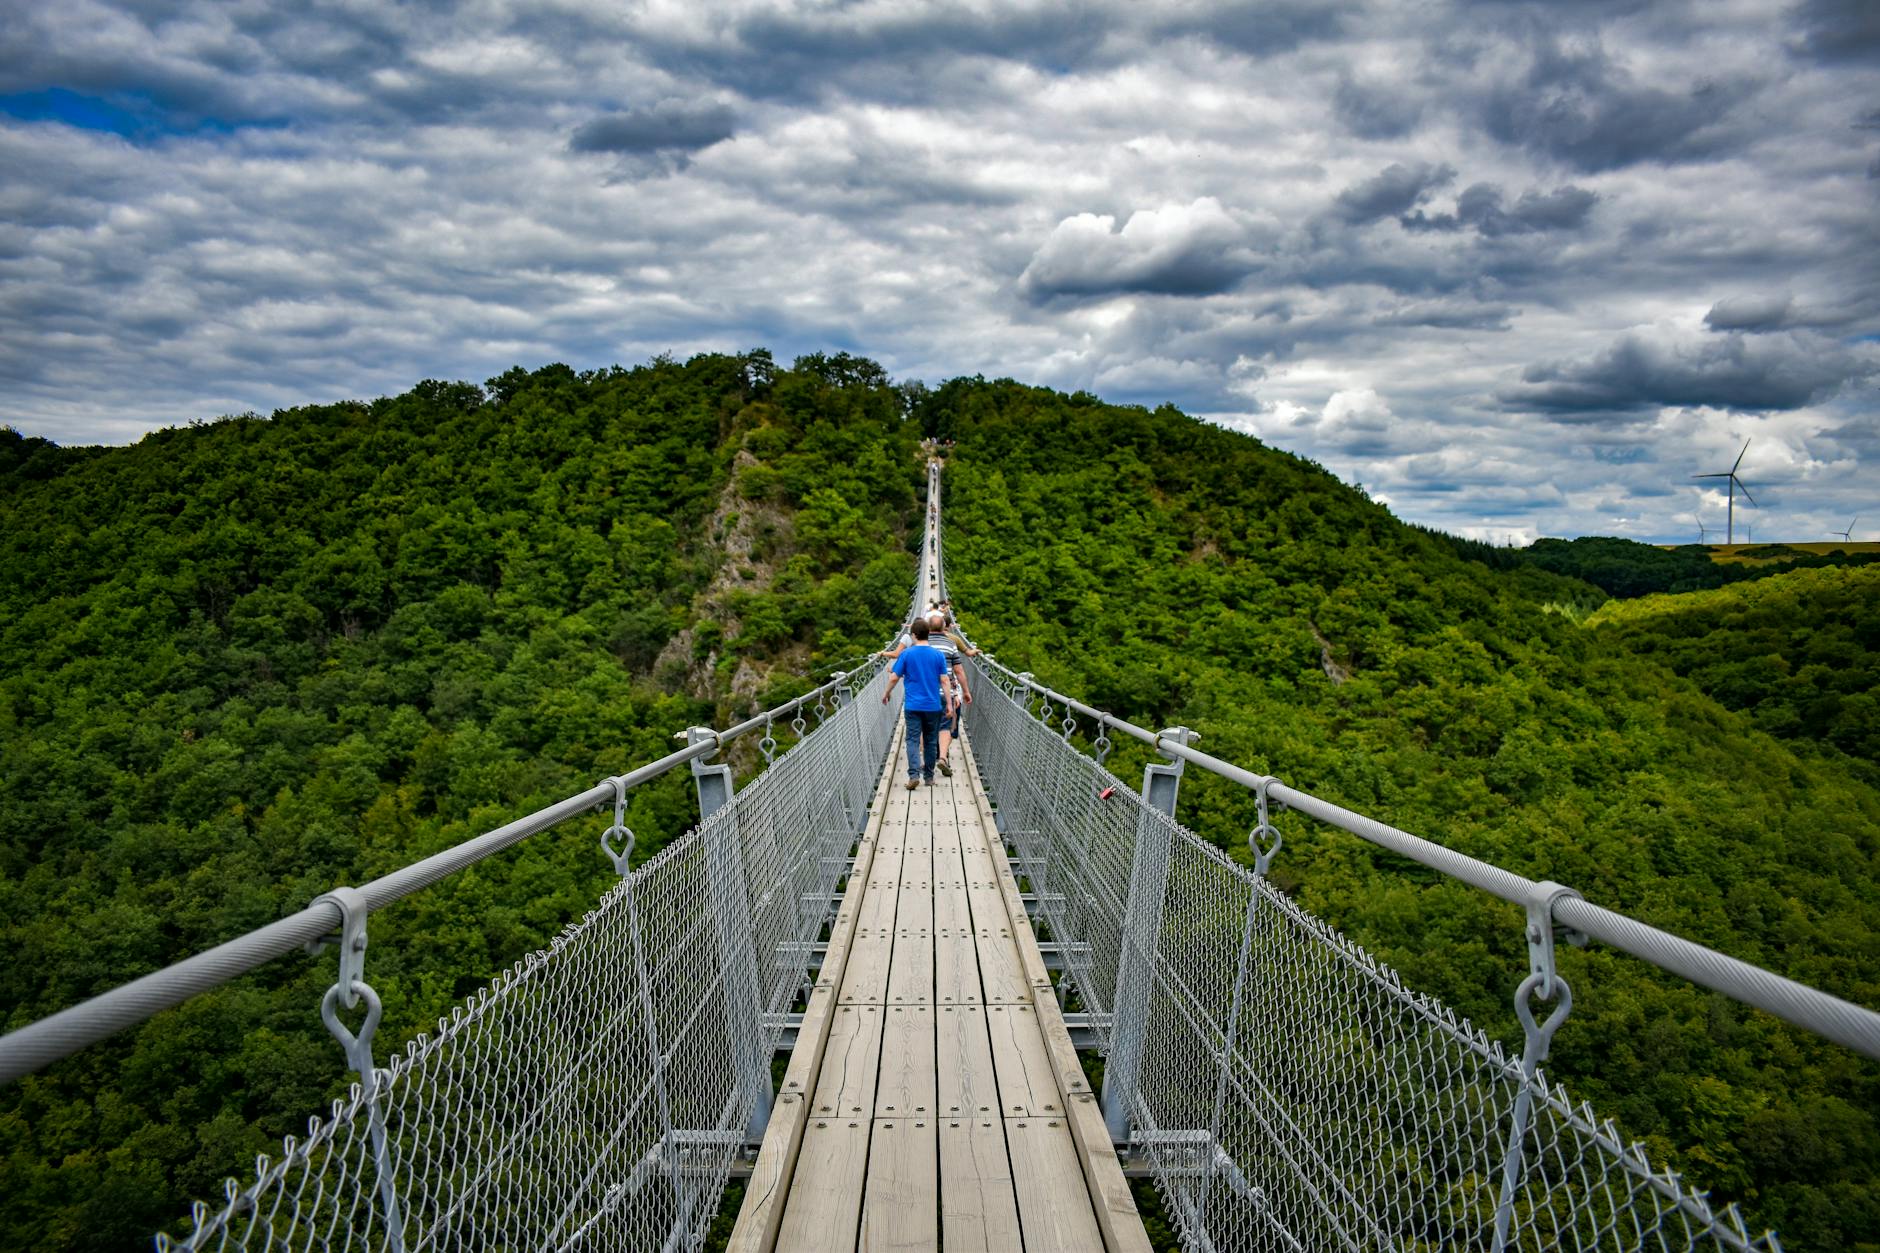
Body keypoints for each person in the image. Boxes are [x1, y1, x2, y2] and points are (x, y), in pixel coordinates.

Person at [881, 618, 949, 788]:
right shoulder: (938, 655)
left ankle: (913, 776)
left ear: (914, 635)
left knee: (912, 740)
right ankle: (929, 778)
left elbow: (895, 677)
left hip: (913, 705)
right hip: (933, 705)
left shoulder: (906, 654)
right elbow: (945, 680)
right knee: (931, 741)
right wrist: (949, 703)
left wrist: (886, 693)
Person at [924, 610, 971, 774]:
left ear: (927, 628)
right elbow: (958, 670)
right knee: (945, 726)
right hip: (946, 693)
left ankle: (927, 761)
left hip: (924, 693)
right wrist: (965, 691)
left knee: (926, 727)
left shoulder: (921, 644)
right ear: (946, 627)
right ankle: (943, 757)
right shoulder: (951, 643)